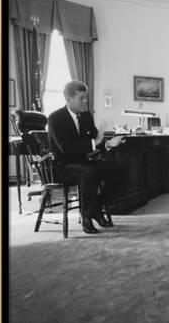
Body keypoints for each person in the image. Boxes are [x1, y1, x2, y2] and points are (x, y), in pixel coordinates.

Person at [48, 80, 125, 234]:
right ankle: (87, 216)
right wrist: (95, 142)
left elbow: (97, 142)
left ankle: (96, 209)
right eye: (81, 98)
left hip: (84, 163)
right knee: (89, 173)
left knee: (117, 169)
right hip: (63, 167)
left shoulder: (86, 116)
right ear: (68, 99)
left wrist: (109, 143)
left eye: (85, 98)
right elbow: (66, 148)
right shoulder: (55, 118)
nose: (85, 101)